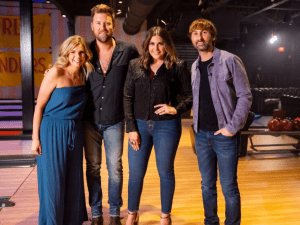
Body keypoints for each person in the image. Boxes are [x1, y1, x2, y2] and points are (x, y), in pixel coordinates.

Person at [124, 26, 193, 225]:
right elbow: (127, 97)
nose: (156, 47)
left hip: (167, 127)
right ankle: (132, 213)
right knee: (136, 172)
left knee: (165, 171)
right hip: (140, 126)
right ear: (147, 45)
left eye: (160, 43)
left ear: (166, 45)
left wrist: (176, 109)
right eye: (152, 43)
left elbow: (190, 96)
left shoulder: (178, 66)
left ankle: (165, 216)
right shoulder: (135, 65)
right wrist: (131, 129)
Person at [189, 18, 252, 225]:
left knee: (228, 188)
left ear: (212, 36)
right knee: (207, 185)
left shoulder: (230, 60)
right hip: (202, 135)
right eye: (195, 33)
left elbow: (245, 96)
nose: (200, 37)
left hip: (224, 136)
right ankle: (211, 222)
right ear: (191, 38)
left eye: (204, 32)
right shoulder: (194, 66)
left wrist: (232, 128)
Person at [83, 4, 139, 225]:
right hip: (89, 121)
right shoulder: (84, 51)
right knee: (93, 168)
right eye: (98, 22)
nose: (103, 26)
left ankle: (115, 213)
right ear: (92, 25)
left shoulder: (128, 50)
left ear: (113, 24)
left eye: (107, 22)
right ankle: (96, 213)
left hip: (116, 120)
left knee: (115, 168)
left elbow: (140, 77)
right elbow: (66, 69)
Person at [31, 35, 93, 225]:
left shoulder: (85, 74)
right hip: (52, 131)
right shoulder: (55, 73)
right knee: (53, 184)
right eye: (73, 51)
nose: (77, 56)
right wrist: (35, 138)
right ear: (66, 53)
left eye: (81, 52)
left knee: (73, 182)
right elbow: (39, 107)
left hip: (75, 131)